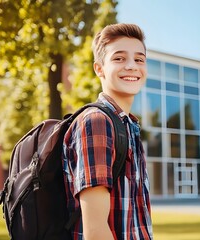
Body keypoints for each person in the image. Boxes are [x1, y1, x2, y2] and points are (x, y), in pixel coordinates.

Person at [62, 23, 153, 240]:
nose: (132, 66)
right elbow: (95, 231)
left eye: (139, 59)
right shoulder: (97, 122)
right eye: (119, 58)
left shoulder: (128, 127)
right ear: (99, 68)